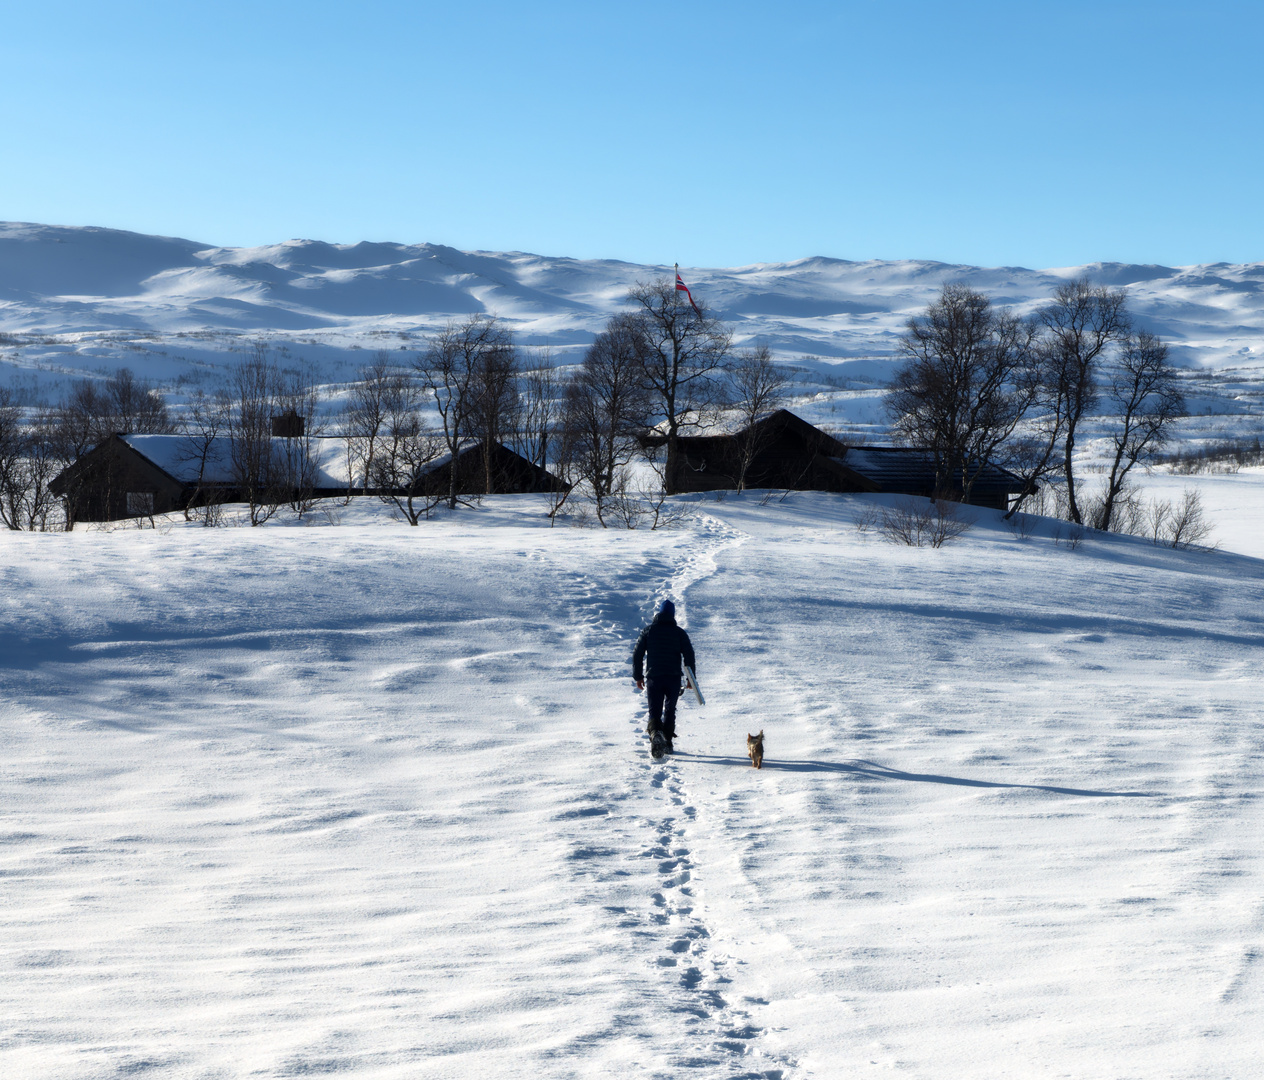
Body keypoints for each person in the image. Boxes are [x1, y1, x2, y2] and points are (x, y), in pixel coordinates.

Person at [632, 599, 696, 755]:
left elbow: (637, 654)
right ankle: (667, 741)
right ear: (672, 615)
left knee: (654, 710)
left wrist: (638, 676)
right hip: (673, 678)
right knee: (669, 710)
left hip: (654, 677)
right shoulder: (679, 633)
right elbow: (689, 655)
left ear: (659, 613)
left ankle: (655, 735)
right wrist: (690, 679)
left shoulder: (648, 631)